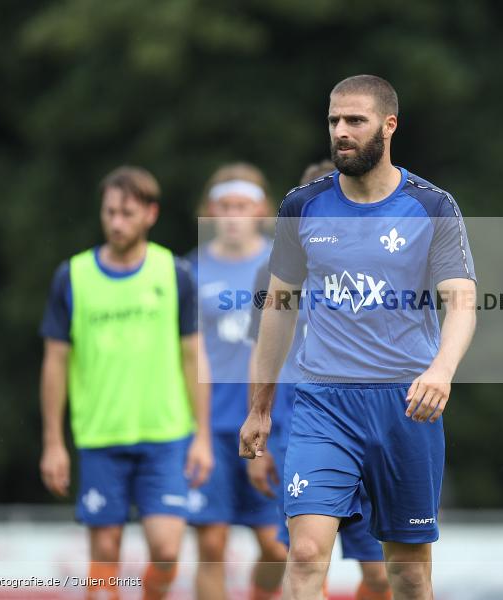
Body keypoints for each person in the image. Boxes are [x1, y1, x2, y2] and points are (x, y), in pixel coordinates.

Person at [239, 74, 478, 600]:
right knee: (305, 554)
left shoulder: (432, 205)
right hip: (324, 403)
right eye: (333, 121)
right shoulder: (302, 205)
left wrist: (441, 370)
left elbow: (462, 301)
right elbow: (277, 311)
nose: (340, 132)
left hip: (406, 404)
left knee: (408, 574)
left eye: (355, 120)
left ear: (389, 126)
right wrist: (260, 406)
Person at [39, 165, 213, 599]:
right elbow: (55, 363)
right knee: (104, 557)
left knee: (167, 554)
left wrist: (203, 436)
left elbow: (194, 357)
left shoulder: (175, 273)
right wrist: (53, 443)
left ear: (151, 214)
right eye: (110, 212)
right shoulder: (72, 276)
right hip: (100, 436)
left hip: (166, 435)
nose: (116, 223)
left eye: (127, 213)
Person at [246, 160, 391, 600]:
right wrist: (260, 431)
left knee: (382, 575)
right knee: (305, 556)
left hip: (371, 426)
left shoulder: (387, 262)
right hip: (302, 430)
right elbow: (259, 354)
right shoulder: (274, 270)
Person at [186, 163, 288, 600]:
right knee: (211, 546)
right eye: (224, 206)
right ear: (211, 211)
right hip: (210, 424)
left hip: (271, 421)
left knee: (277, 547)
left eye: (241, 206)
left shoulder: (284, 266)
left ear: (261, 210)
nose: (232, 216)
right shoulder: (189, 270)